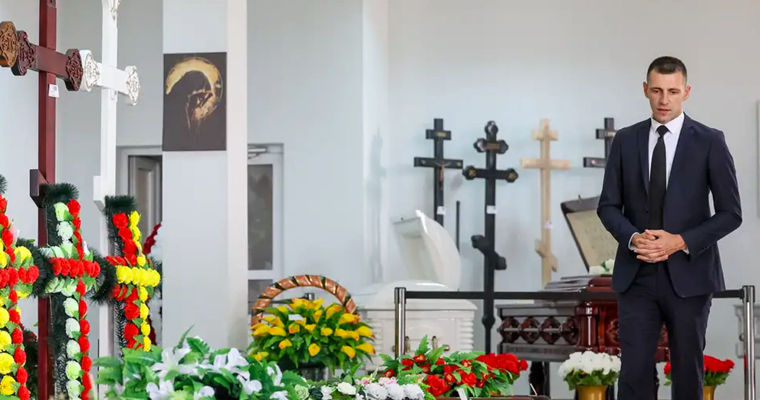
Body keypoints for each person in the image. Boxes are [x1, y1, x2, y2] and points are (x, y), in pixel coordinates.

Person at [597, 56, 742, 399]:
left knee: (687, 373)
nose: (664, 100)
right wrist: (634, 238)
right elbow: (607, 206)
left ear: (686, 92)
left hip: (690, 275)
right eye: (657, 91)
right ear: (645, 90)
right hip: (636, 275)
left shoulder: (710, 141)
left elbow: (730, 213)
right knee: (633, 375)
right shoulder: (625, 140)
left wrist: (679, 241)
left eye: (673, 91)